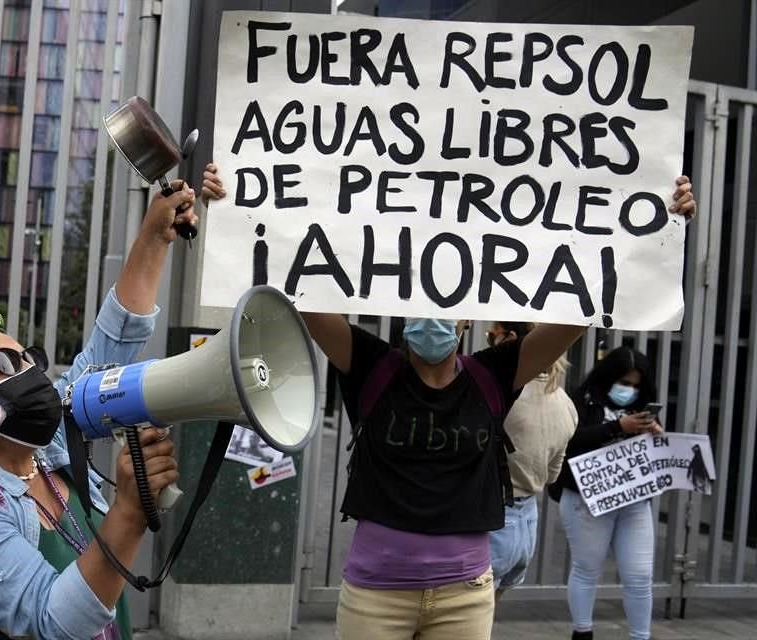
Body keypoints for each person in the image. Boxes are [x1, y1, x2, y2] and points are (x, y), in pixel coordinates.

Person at [202, 167, 696, 640]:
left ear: (468, 315)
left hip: (465, 596)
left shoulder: (494, 373)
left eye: (446, 306)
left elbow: (583, 309)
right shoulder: (370, 364)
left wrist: (657, 224)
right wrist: (237, 205)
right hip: (376, 595)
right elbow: (292, 287)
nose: (432, 317)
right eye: (419, 301)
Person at [0, 179, 200, 640]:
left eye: (27, 359)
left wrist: (155, 235)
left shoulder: (46, 446)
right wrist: (129, 511)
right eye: (1, 364)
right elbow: (53, 621)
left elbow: (112, 347)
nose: (27, 373)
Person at [551, 346, 664, 640]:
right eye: (625, 383)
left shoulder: (642, 407)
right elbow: (568, 442)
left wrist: (655, 435)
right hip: (586, 501)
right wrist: (616, 427)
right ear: (608, 377)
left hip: (634, 501)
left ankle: (641, 635)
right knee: (587, 568)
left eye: (636, 385)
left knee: (640, 576)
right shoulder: (579, 400)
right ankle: (583, 631)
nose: (630, 390)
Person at [485, 322, 577, 602]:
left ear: (511, 339)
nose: (490, 342)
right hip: (526, 523)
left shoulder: (499, 394)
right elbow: (551, 474)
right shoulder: (565, 404)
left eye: (493, 335)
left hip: (492, 517)